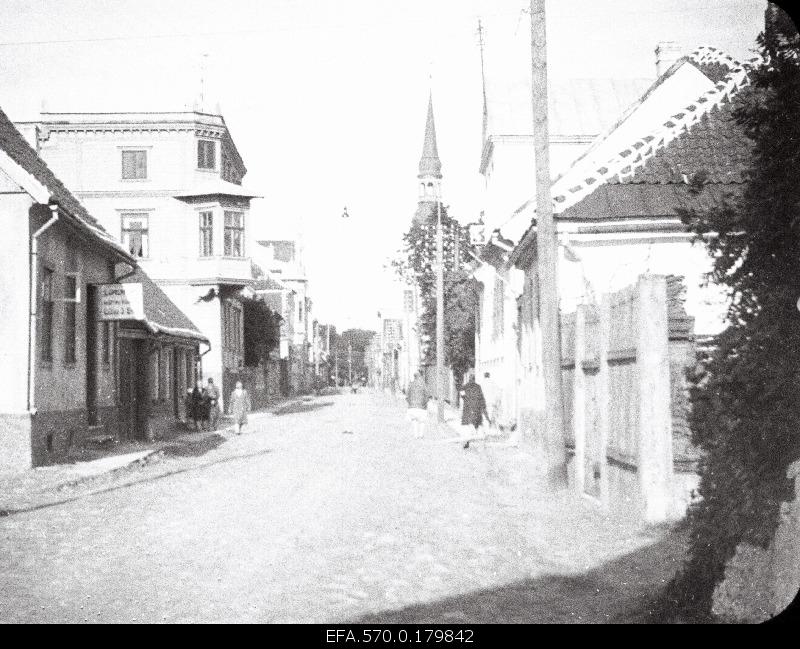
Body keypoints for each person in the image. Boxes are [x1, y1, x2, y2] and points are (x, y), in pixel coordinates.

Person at [461, 371, 490, 438]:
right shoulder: (478, 386)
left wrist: (465, 399)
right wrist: (483, 404)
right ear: (474, 379)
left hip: (468, 404)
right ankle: (475, 431)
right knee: (477, 419)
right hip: (476, 405)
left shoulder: (465, 386)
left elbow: (462, 394)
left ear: (469, 379)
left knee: (469, 418)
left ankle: (473, 431)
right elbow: (481, 396)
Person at [406, 370, 429, 439]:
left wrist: (410, 403)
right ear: (420, 377)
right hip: (422, 406)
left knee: (414, 420)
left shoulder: (410, 384)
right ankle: (421, 435)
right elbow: (427, 395)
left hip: (412, 406)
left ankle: (416, 435)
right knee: (422, 421)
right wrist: (425, 403)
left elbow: (407, 396)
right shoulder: (424, 385)